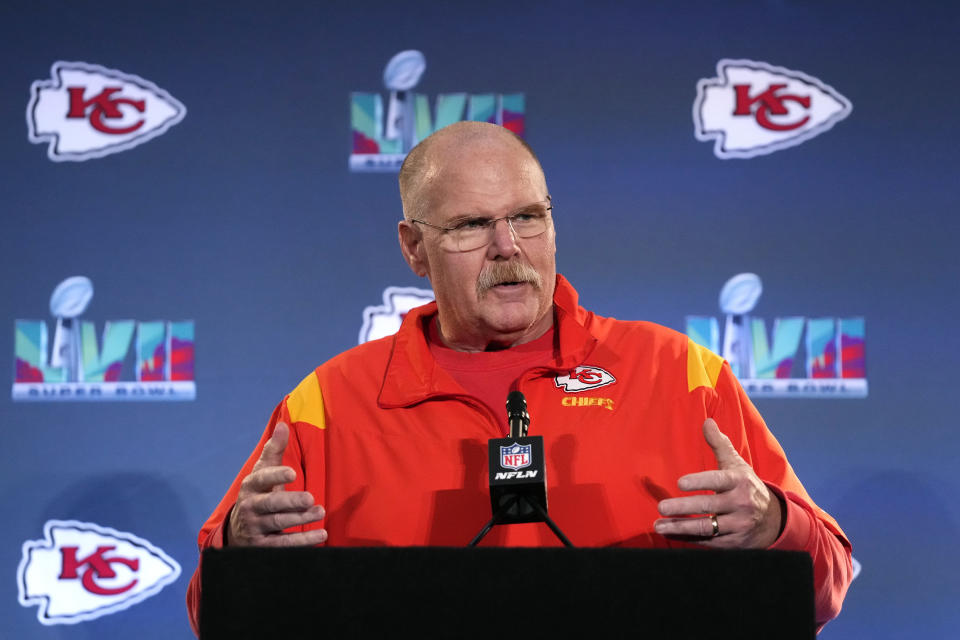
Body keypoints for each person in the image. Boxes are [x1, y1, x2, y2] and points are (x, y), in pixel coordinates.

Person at [186, 121, 852, 633]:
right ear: (414, 248)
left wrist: (771, 526)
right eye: (473, 224)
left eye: (528, 217)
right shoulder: (326, 405)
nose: (508, 247)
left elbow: (825, 582)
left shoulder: (678, 374)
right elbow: (211, 613)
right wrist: (240, 547)